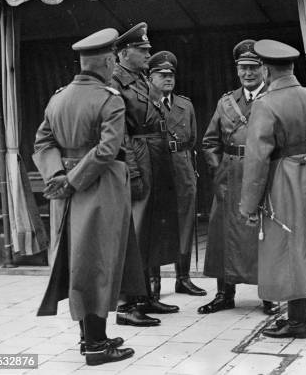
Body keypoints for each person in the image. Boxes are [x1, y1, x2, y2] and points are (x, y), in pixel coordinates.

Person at [33, 28, 142, 365]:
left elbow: (42, 142)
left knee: (79, 260)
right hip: (98, 189)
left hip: (65, 193)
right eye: (113, 60)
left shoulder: (58, 97)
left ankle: (91, 336)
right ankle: (96, 346)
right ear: (108, 60)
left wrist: (58, 177)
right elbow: (109, 149)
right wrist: (76, 180)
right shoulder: (110, 99)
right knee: (98, 262)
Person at [239, 39, 306, 339]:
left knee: (286, 247)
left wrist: (248, 204)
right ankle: (299, 316)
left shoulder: (266, 104)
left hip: (283, 179)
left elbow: (257, 159)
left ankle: (297, 323)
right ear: (292, 68)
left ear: (267, 70)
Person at [200, 40, 278, 315]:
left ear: (264, 69)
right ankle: (224, 294)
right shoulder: (226, 102)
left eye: (253, 68)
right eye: (243, 68)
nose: (248, 73)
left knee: (264, 236)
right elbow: (210, 142)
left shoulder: (273, 98)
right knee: (224, 235)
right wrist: (218, 168)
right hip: (230, 177)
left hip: (263, 176)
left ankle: (269, 294)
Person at [111, 23, 180, 327]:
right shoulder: (115, 82)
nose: (147, 55)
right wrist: (132, 169)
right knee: (136, 231)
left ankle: (148, 295)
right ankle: (127, 304)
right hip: (139, 154)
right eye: (143, 50)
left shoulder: (138, 79)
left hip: (156, 153)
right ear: (125, 53)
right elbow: (120, 132)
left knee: (153, 228)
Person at [146, 50, 206, 297]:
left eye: (171, 74)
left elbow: (191, 139)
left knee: (184, 220)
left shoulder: (185, 105)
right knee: (156, 223)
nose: (168, 78)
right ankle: (153, 280)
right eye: (162, 74)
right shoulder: (144, 103)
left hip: (181, 166)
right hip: (156, 166)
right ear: (150, 77)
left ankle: (183, 277)